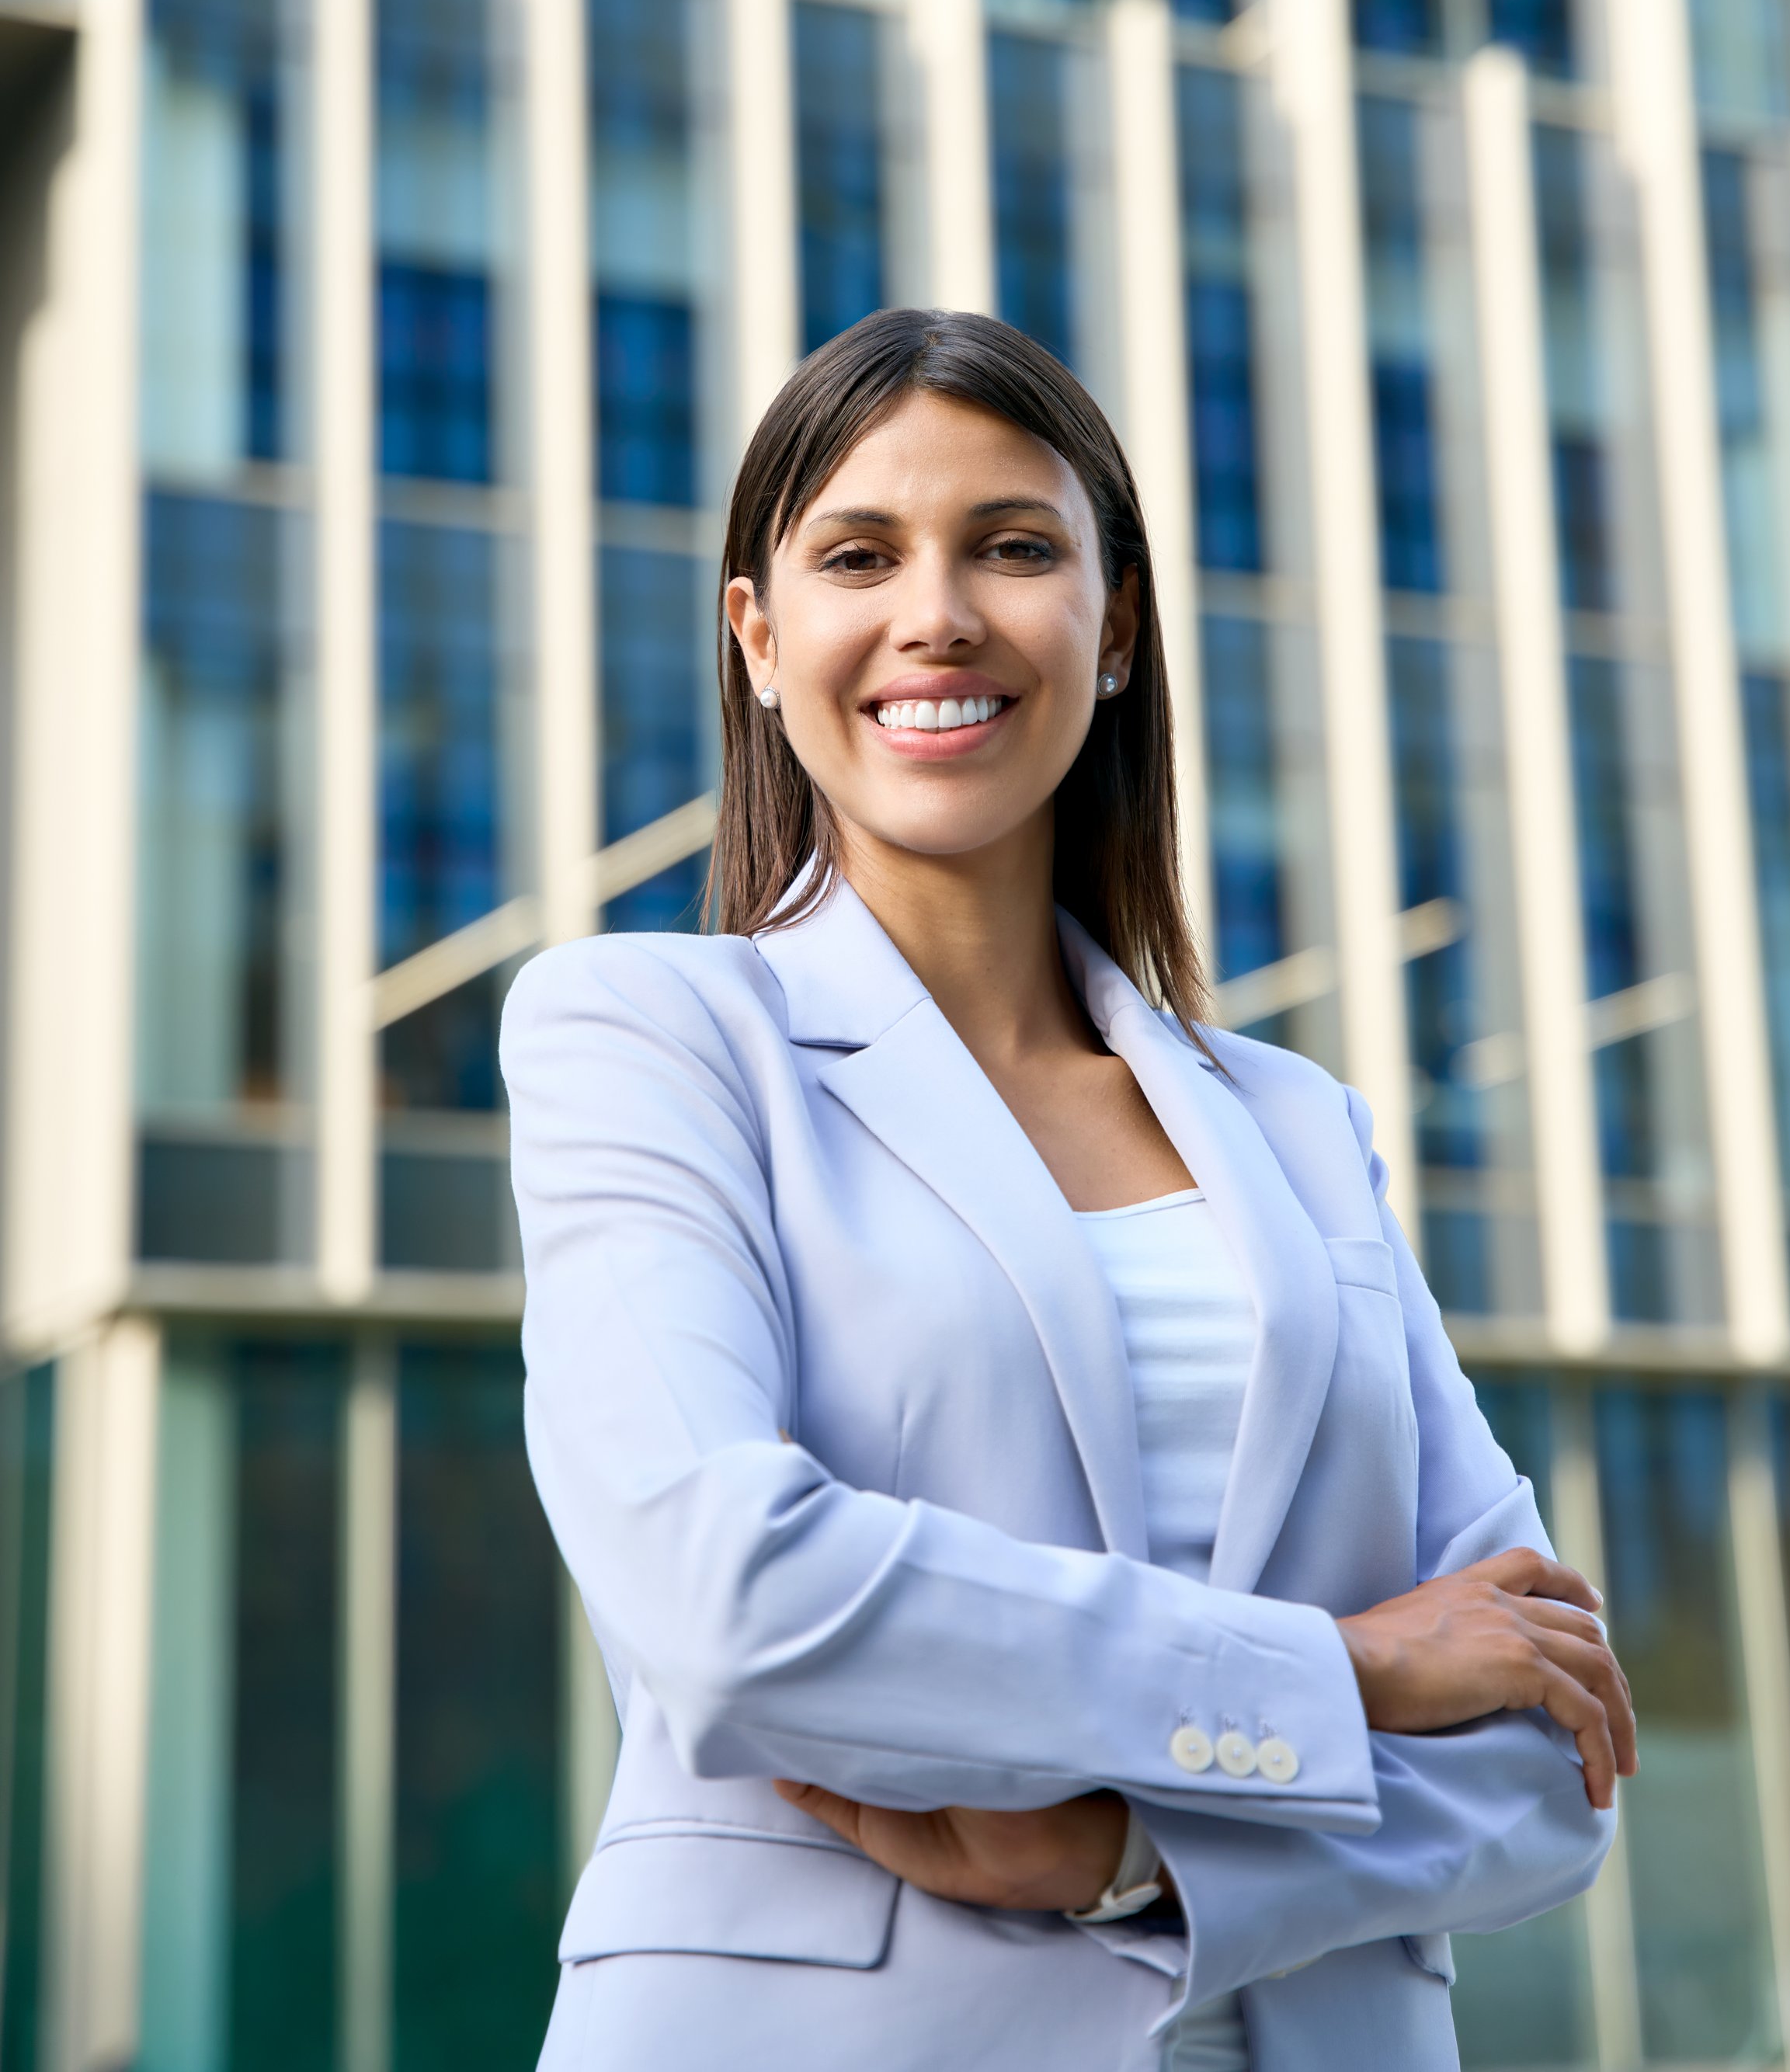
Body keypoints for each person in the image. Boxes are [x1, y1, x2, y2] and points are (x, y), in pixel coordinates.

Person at [506, 309, 1633, 2072]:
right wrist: (1338, 1678)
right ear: (759, 635)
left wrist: (1128, 1853)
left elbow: (1553, 1745)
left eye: (1015, 548)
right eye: (859, 556)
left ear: (1113, 629)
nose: (936, 614)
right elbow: (730, 1599)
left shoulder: (1297, 1124)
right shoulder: (649, 1036)